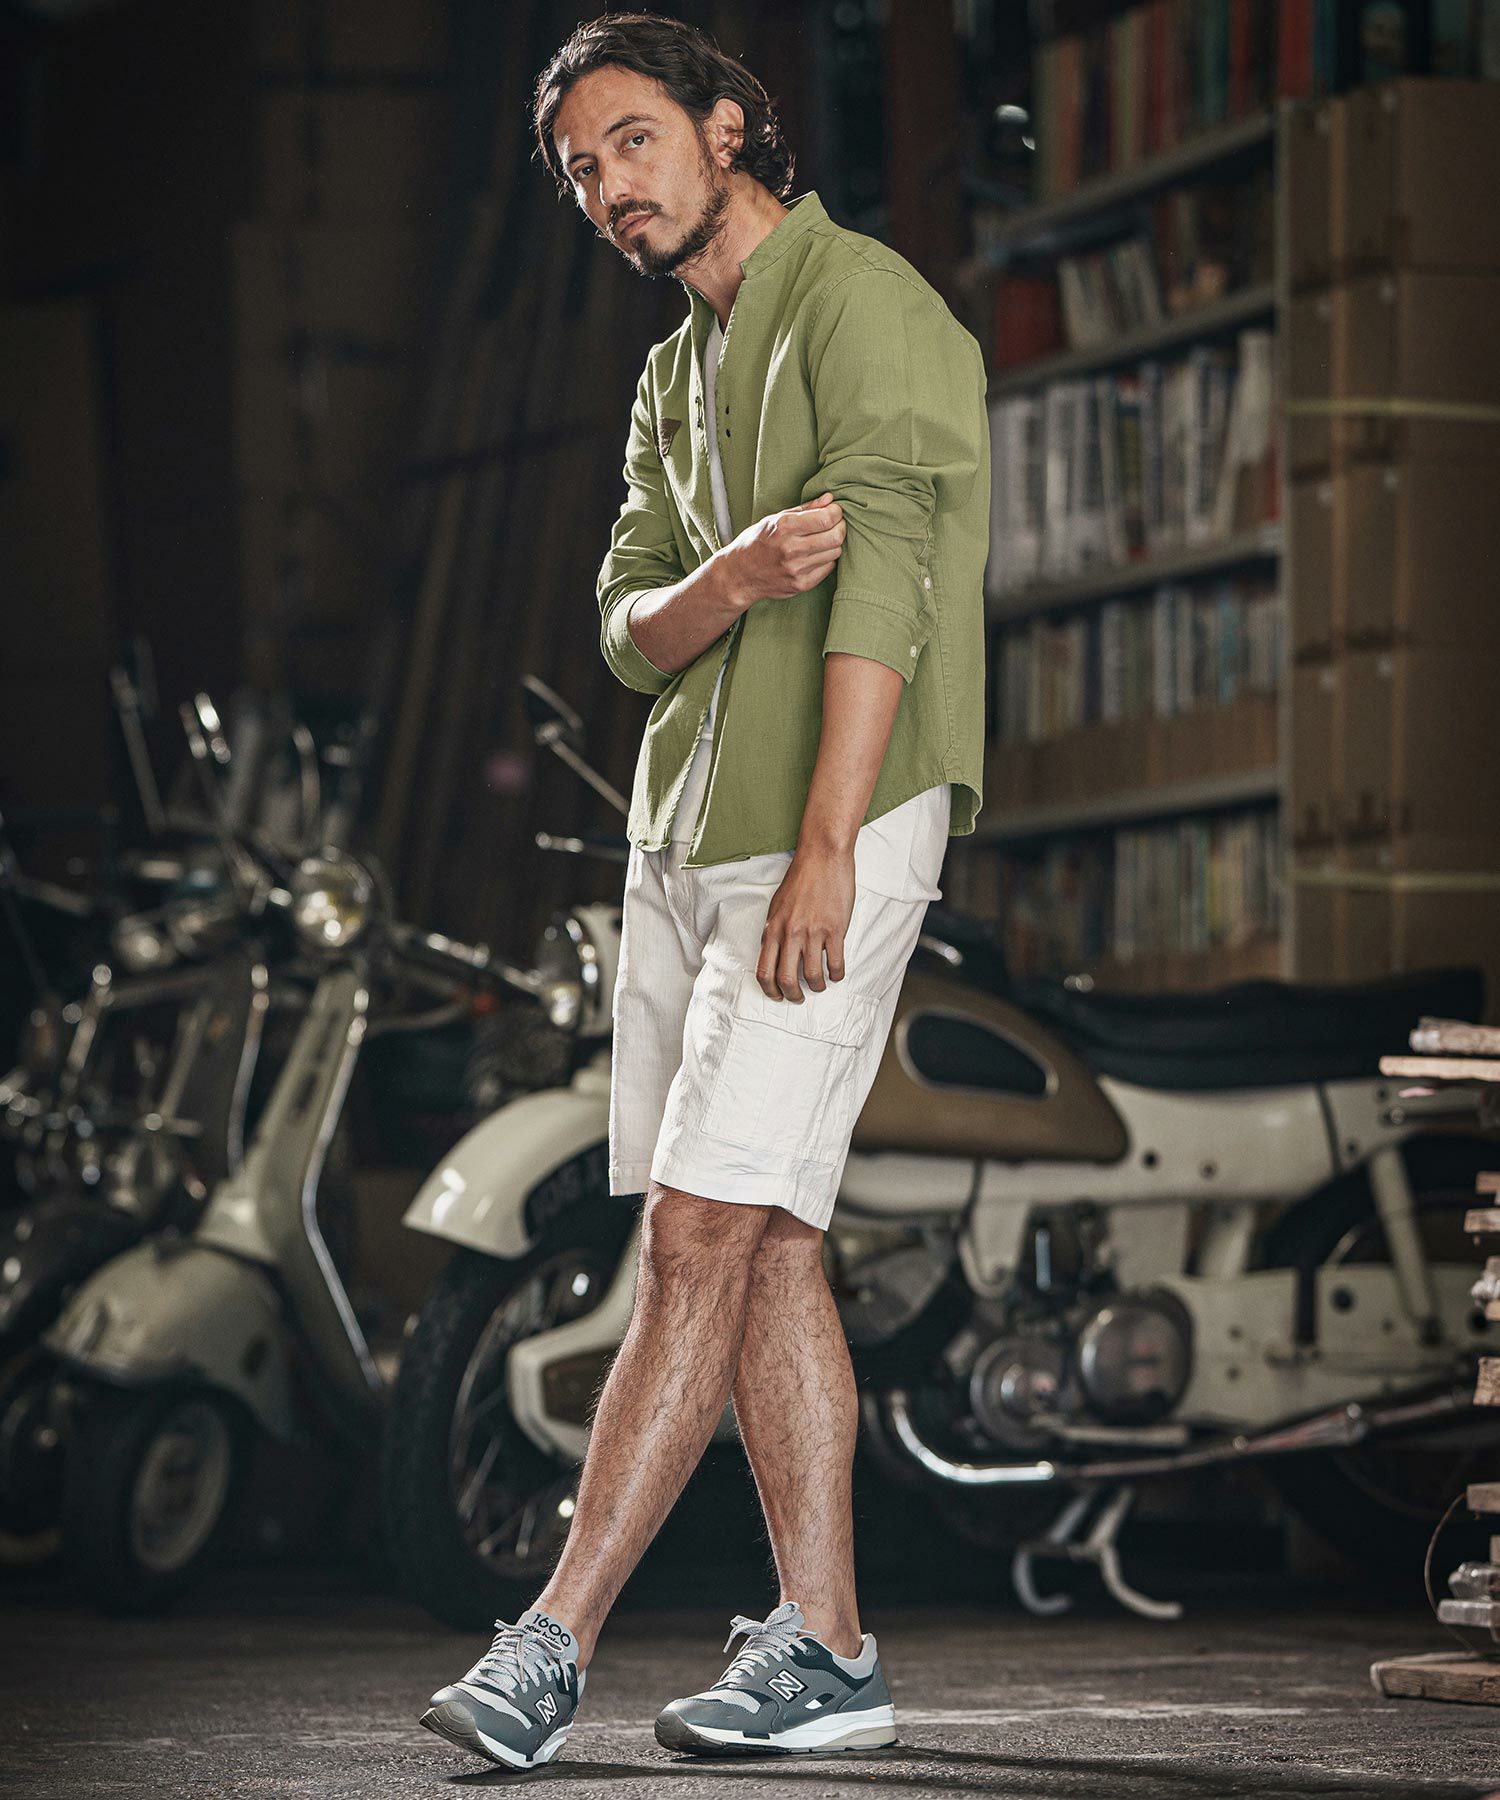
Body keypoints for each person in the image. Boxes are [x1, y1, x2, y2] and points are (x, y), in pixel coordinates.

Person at [420, 11, 988, 1771]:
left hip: (831, 830)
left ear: (727, 125)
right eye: (581, 169)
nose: (610, 186)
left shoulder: (862, 301)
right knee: (768, 1239)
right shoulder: (675, 373)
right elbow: (628, 629)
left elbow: (889, 580)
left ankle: (551, 1644)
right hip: (678, 844)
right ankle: (829, 1646)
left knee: (692, 1236)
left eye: (634, 140)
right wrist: (732, 578)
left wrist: (829, 847)